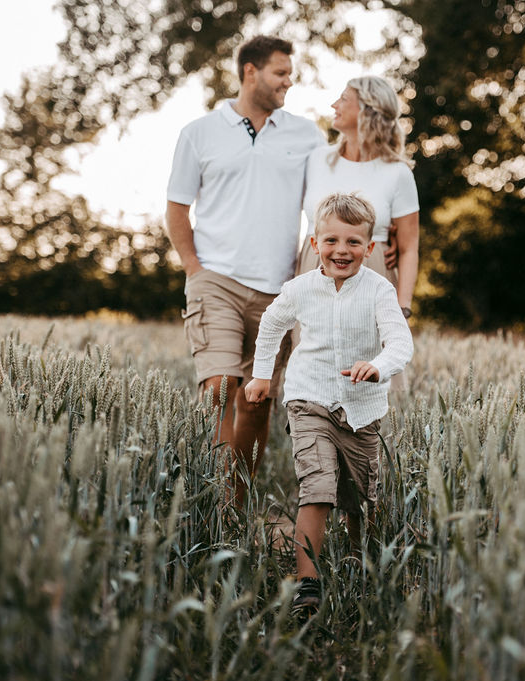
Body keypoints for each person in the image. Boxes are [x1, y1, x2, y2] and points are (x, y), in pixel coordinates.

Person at [166, 35, 324, 507]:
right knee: (219, 387)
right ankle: (212, 500)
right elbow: (176, 208)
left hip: (280, 289)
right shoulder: (199, 132)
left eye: (290, 74)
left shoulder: (307, 134)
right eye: (280, 73)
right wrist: (194, 270)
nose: (288, 82)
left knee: (255, 402)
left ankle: (235, 507)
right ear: (250, 72)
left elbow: (327, 202)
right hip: (216, 278)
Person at [244, 193, 414, 617]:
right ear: (315, 243)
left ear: (370, 248)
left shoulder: (379, 290)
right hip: (309, 398)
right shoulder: (299, 289)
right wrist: (262, 375)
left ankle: (357, 565)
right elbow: (272, 324)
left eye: (354, 242)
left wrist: (377, 366)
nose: (342, 250)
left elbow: (400, 343)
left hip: (362, 408)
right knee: (316, 489)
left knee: (359, 498)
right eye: (332, 240)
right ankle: (308, 583)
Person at [298, 76, 420, 320]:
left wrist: (402, 307)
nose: (334, 105)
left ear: (367, 110)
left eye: (343, 99)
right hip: (313, 271)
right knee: (309, 355)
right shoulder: (316, 160)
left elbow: (408, 248)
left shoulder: (397, 173)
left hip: (372, 274)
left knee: (369, 357)